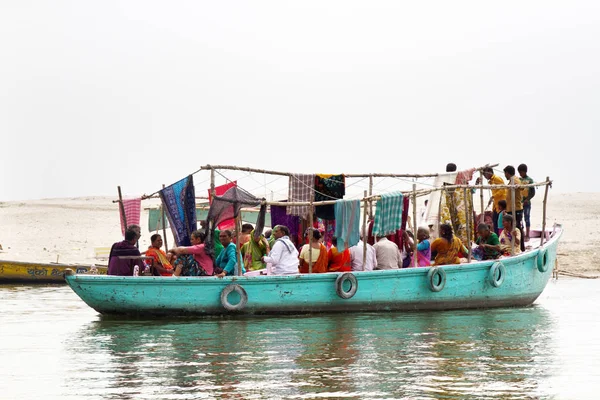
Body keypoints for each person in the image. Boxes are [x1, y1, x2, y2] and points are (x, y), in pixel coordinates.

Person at [477, 167, 506, 233]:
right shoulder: (491, 181)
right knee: (495, 222)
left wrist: (493, 196)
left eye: (485, 174)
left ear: (490, 172)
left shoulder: (496, 178)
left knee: (499, 223)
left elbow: (503, 189)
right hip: (496, 205)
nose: (485, 176)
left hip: (501, 204)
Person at [504, 165, 525, 252]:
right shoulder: (510, 181)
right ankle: (513, 246)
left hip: (516, 209)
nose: (505, 175)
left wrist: (517, 185)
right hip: (510, 209)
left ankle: (521, 247)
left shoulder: (515, 179)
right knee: (512, 228)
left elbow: (521, 186)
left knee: (517, 228)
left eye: (505, 173)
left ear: (507, 173)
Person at [518, 163, 535, 242]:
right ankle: (523, 233)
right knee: (520, 218)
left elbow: (532, 192)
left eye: (521, 172)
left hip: (526, 203)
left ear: (524, 171)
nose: (520, 174)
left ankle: (527, 235)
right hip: (519, 203)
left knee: (527, 218)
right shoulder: (519, 180)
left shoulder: (530, 180)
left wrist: (527, 199)